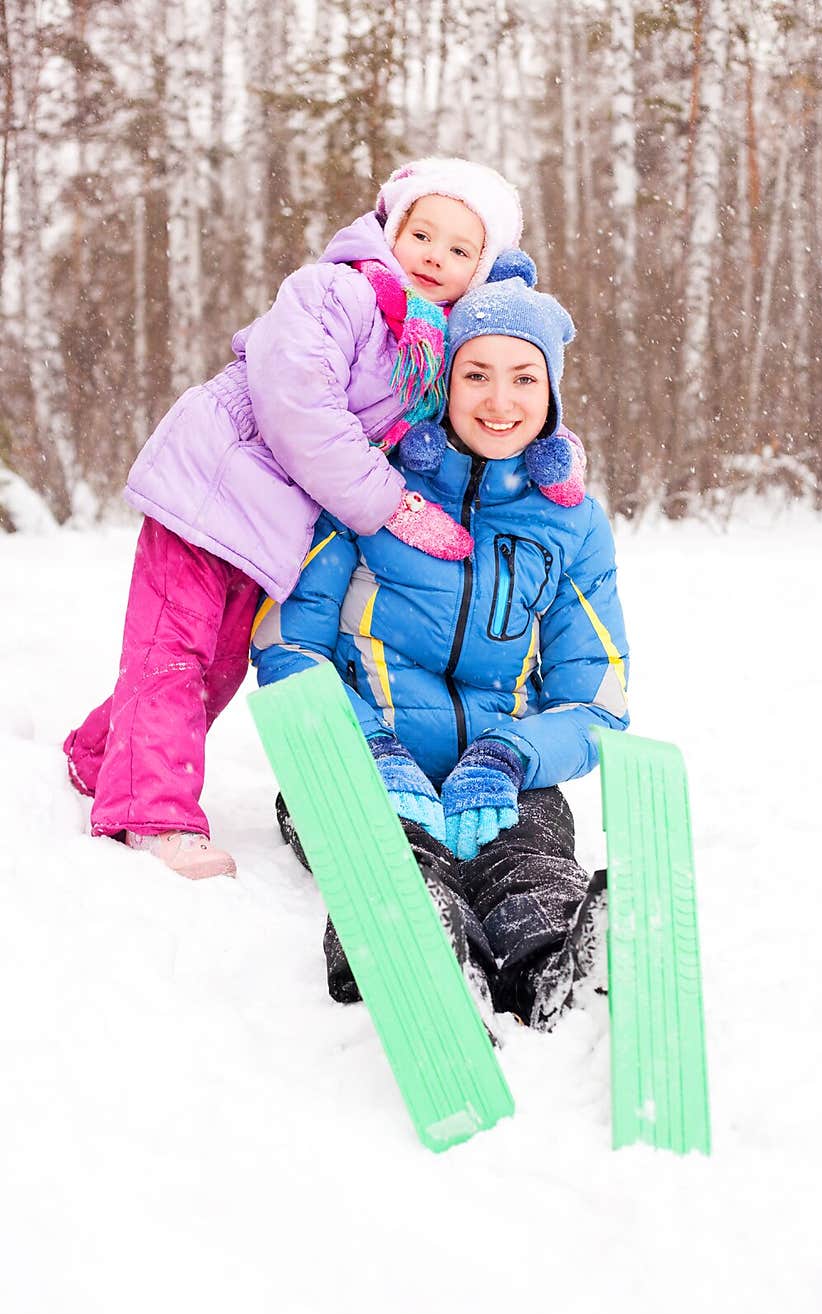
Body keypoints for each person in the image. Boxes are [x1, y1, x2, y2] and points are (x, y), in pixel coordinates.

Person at [64, 158, 582, 881]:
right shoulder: (334, 291)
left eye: (460, 249)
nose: (435, 255)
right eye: (422, 233)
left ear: (481, 272)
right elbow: (297, 404)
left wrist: (547, 453)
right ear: (389, 228)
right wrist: (389, 504)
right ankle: (151, 814)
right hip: (211, 489)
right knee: (170, 654)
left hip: (274, 526)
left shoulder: (429, 352)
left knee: (215, 666)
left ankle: (99, 756)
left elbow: (479, 421)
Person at [250, 272, 630, 1032]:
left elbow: (600, 697)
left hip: (504, 778)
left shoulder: (572, 525)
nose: (500, 400)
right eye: (477, 375)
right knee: (396, 863)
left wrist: (511, 754)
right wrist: (370, 750)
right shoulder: (368, 487)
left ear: (550, 393)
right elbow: (288, 644)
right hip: (356, 769)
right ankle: (420, 954)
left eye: (524, 378)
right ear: (443, 382)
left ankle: (559, 971)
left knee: (529, 868)